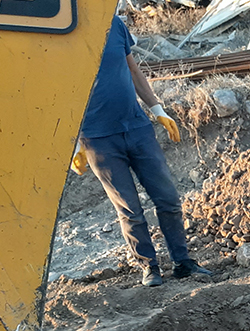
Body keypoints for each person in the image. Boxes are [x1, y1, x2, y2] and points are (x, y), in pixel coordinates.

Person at [71, 13, 212, 287]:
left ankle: (183, 262)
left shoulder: (113, 25)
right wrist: (74, 142)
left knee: (168, 198)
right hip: (98, 139)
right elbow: (56, 92)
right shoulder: (64, 34)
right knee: (129, 209)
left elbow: (133, 69)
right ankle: (149, 267)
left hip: (137, 128)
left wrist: (156, 108)